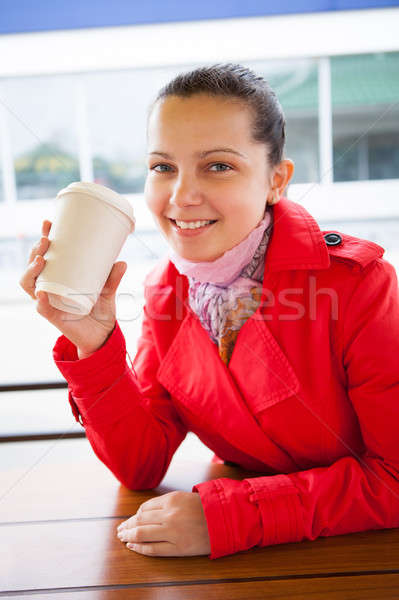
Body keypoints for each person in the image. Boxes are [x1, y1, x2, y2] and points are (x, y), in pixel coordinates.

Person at [20, 63, 399, 560]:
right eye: (163, 167)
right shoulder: (168, 292)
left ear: (276, 180)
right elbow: (141, 462)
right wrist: (93, 342)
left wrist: (231, 515)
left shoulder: (357, 284)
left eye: (218, 165)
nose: (181, 197)